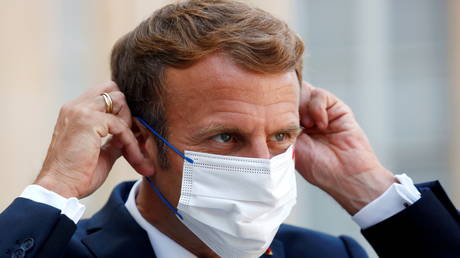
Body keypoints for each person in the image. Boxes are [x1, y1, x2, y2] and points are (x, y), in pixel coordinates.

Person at [1, 0, 459, 257]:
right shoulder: (59, 255)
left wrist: (367, 186)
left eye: (281, 136)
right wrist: (56, 185)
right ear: (141, 143)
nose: (265, 166)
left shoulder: (330, 255)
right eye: (226, 137)